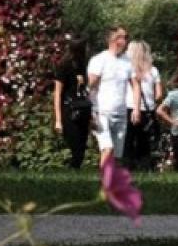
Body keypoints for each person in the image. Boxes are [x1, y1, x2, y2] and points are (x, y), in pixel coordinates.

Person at [87, 25, 132, 167]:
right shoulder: (99, 60)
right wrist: (89, 113)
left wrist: (136, 108)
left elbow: (135, 84)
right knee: (108, 149)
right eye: (123, 37)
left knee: (117, 156)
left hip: (121, 113)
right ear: (114, 40)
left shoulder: (127, 61)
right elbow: (90, 87)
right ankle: (105, 184)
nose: (126, 41)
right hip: (102, 113)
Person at [123, 39, 163, 171]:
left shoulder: (127, 70)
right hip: (148, 110)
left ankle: (128, 168)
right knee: (144, 142)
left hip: (129, 107)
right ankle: (145, 168)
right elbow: (159, 95)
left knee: (127, 141)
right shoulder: (154, 71)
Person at [52, 37, 92, 169]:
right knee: (75, 147)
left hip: (83, 108)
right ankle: (71, 172)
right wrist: (58, 120)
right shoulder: (64, 66)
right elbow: (57, 93)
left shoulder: (84, 65)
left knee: (82, 147)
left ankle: (75, 173)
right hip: (69, 109)